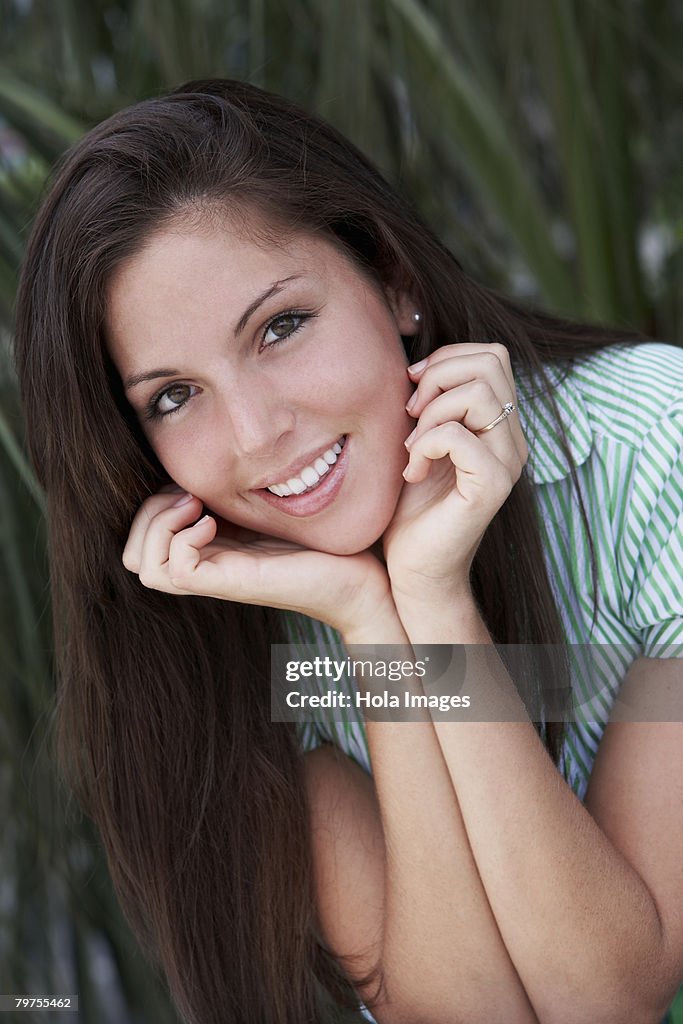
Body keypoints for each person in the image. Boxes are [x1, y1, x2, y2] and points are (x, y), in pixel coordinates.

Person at [13, 77, 682, 1024]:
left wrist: (436, 599)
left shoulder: (655, 450)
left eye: (280, 327)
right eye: (173, 396)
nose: (254, 434)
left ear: (394, 280)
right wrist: (373, 624)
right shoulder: (222, 639)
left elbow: (607, 997)